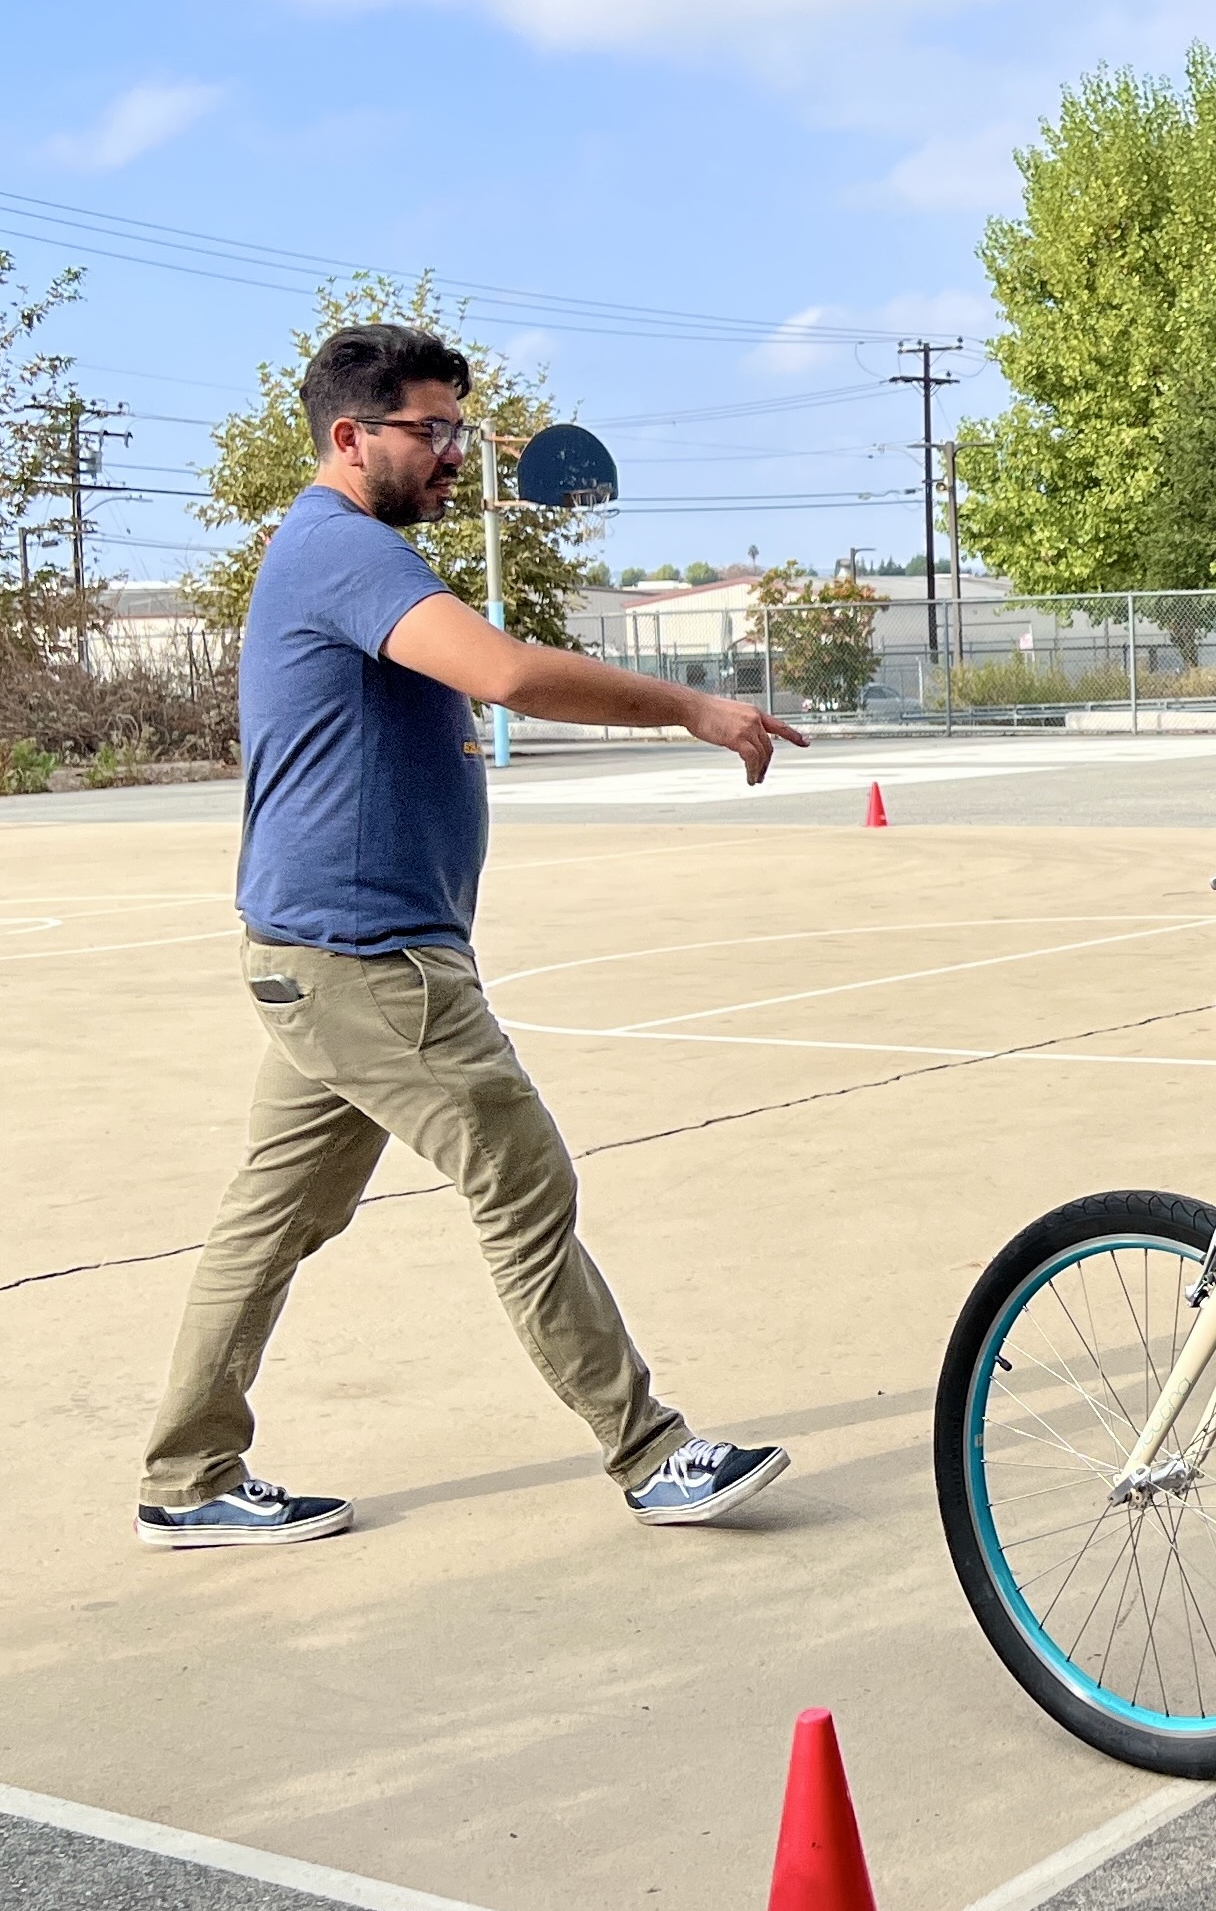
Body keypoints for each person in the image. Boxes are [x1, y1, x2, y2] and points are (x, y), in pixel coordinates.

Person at [140, 324, 803, 1547]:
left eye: (459, 430)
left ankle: (186, 1479)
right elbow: (502, 673)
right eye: (429, 431)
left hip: (321, 958)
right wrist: (696, 709)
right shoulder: (343, 552)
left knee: (271, 1220)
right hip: (370, 963)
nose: (453, 454)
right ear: (351, 438)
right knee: (523, 1180)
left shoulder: (342, 551)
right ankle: (652, 1454)